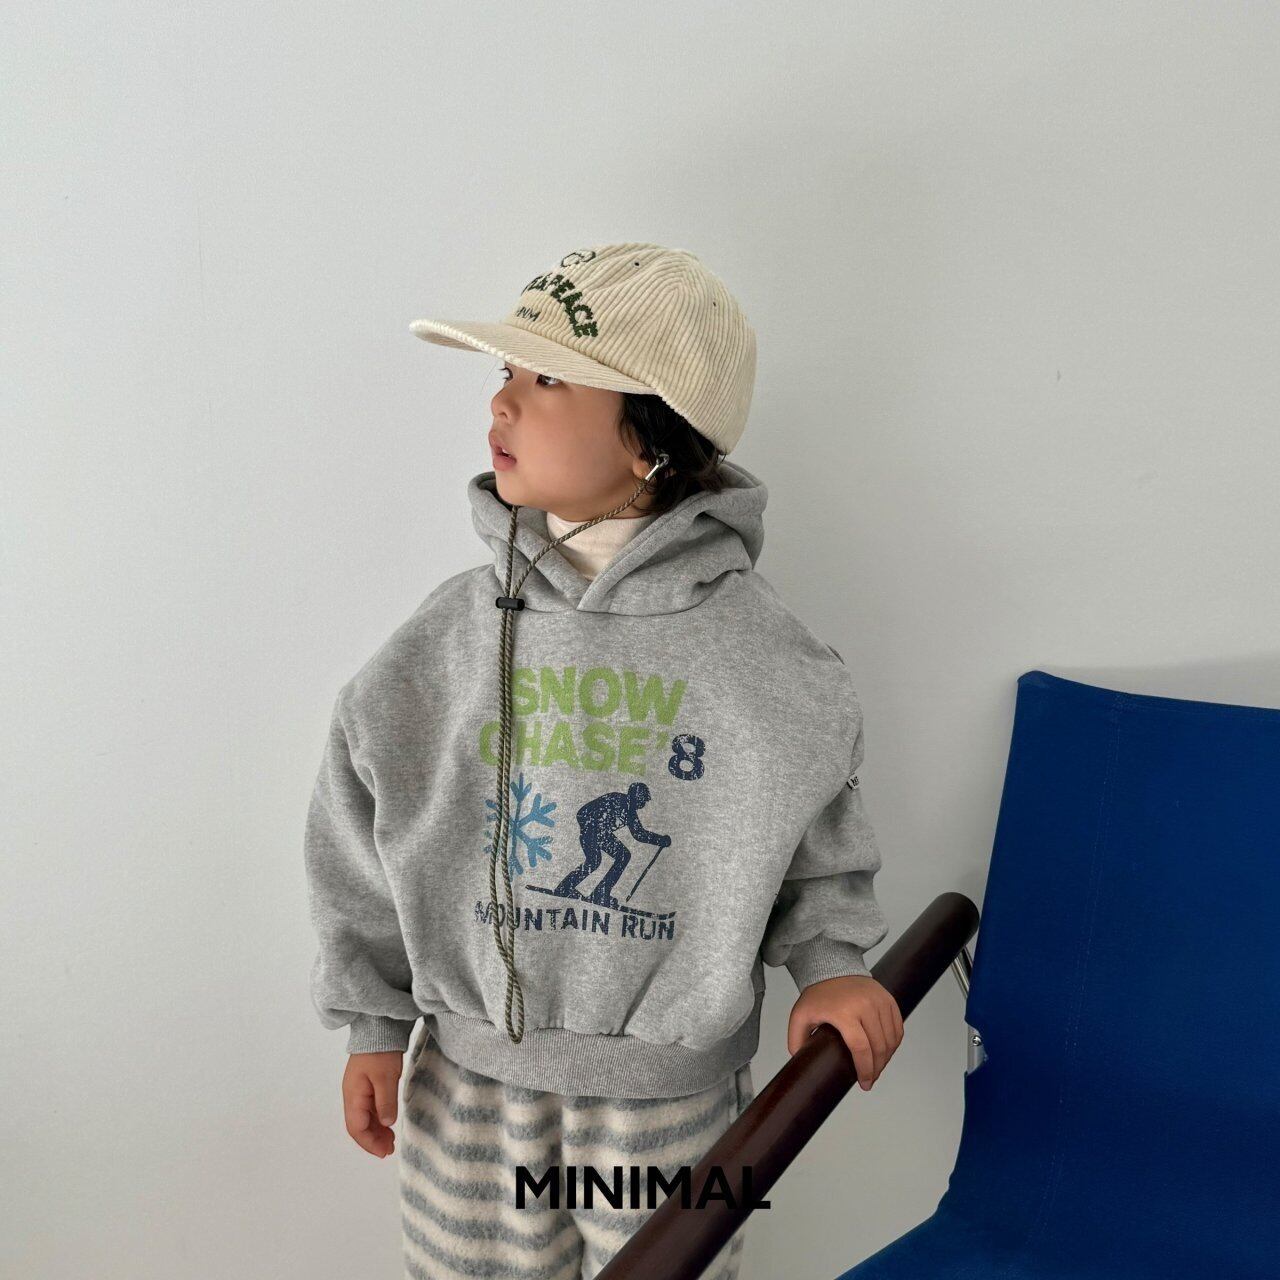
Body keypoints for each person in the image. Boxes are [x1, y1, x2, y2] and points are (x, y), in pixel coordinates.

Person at [302, 242, 904, 1280]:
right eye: (505, 372)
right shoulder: (448, 636)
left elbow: (810, 827)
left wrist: (832, 962)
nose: (500, 403)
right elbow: (361, 820)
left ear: (652, 436)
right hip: (469, 1091)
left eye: (546, 380)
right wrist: (371, 1019)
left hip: (669, 1104)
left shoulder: (759, 650)